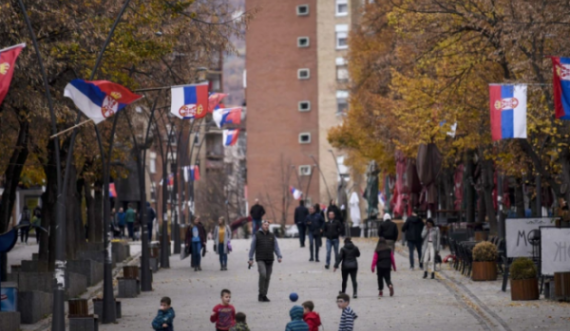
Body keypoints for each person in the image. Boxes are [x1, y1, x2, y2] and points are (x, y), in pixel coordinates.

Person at [248, 220, 283, 302]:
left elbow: (276, 247)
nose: (266, 226)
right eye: (265, 225)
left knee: (267, 277)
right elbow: (252, 247)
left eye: (267, 225)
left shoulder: (272, 235)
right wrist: (250, 258)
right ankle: (260, 293)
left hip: (270, 259)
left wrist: (279, 256)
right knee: (263, 274)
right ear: (261, 226)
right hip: (260, 258)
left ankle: (264, 295)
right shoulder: (257, 235)